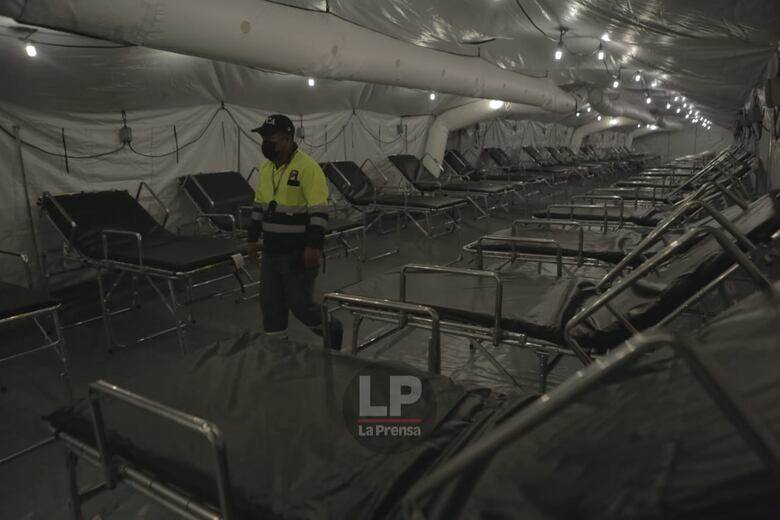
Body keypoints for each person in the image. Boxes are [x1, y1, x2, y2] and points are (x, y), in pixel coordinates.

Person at [246, 114, 343, 349]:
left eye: (271, 138)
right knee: (270, 304)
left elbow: (319, 212)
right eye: (264, 137)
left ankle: (332, 330)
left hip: (297, 252)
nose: (266, 142)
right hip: (271, 251)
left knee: (300, 305)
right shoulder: (266, 168)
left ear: (288, 139)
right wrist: (251, 239)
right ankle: (277, 350)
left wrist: (313, 247)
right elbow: (259, 207)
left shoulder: (308, 168)